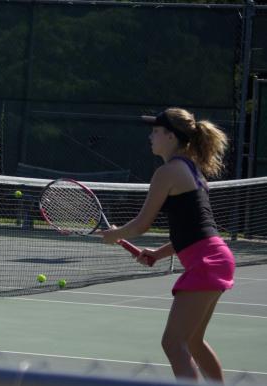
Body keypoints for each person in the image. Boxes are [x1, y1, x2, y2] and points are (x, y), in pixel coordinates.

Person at [97, 107, 235, 383]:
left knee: (173, 343)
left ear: (170, 137)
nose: (151, 137)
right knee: (193, 341)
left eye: (156, 131)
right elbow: (194, 230)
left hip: (206, 262)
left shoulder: (168, 172)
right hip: (217, 256)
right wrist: (159, 254)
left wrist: (115, 235)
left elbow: (141, 225)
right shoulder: (192, 170)